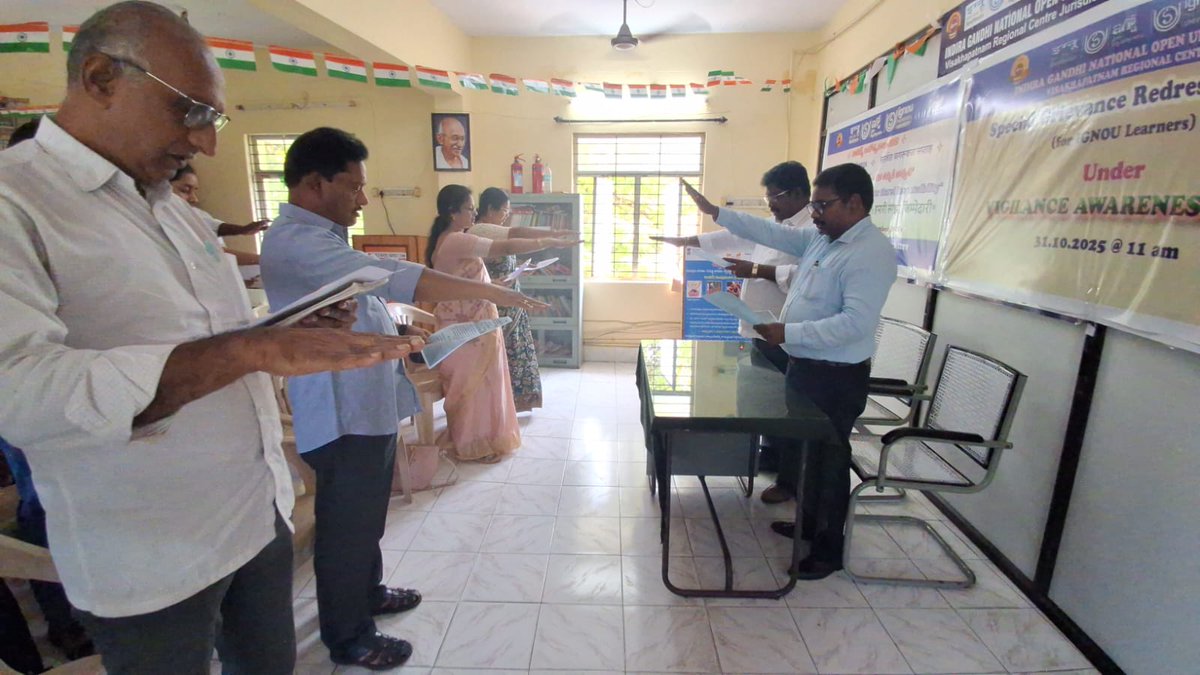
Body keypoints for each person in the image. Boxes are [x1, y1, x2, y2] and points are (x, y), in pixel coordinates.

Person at [0, 4, 423, 673]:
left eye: (213, 119)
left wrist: (283, 333)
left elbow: (214, 336)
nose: (206, 143)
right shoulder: (17, 202)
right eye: (190, 110)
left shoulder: (172, 210)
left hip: (254, 515)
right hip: (152, 554)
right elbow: (20, 390)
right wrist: (248, 350)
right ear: (102, 77)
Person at [259, 129, 548, 670]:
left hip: (365, 402)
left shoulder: (322, 238)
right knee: (346, 525)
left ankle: (367, 593)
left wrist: (397, 334)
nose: (363, 200)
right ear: (314, 184)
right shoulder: (298, 243)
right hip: (341, 411)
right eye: (354, 187)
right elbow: (399, 279)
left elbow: (358, 303)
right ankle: (349, 635)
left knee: (367, 514)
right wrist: (495, 293)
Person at [682, 163, 895, 579]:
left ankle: (829, 550)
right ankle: (809, 525)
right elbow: (771, 232)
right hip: (805, 365)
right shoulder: (823, 239)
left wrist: (788, 331)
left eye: (823, 205)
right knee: (807, 455)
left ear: (855, 203)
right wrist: (716, 213)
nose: (814, 213)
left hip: (835, 377)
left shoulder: (870, 253)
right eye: (813, 205)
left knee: (829, 462)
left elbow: (855, 324)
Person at [0, 118, 96, 665]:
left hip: (80, 400)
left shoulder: (71, 223)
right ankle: (63, 620)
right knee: (42, 504)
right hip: (32, 402)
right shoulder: (12, 213)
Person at [654, 161, 812, 481]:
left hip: (787, 332)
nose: (770, 204)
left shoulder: (811, 229)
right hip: (759, 326)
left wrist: (757, 271)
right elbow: (735, 237)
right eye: (767, 197)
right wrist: (687, 241)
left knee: (786, 404)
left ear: (798, 193)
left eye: (775, 196)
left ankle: (790, 475)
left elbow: (807, 277)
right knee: (762, 400)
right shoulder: (776, 224)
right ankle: (772, 454)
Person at [427, 185, 577, 461]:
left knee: (486, 384)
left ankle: (485, 440)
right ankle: (474, 444)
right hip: (469, 329)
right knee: (476, 387)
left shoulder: (452, 238)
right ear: (452, 212)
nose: (474, 213)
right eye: (469, 209)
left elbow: (464, 280)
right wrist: (549, 241)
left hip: (474, 322)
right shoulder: (456, 240)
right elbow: (505, 245)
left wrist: (493, 284)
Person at [470, 187, 572, 412]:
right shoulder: (480, 229)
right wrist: (552, 236)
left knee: (516, 352)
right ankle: (499, 406)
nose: (506, 215)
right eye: (504, 211)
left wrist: (523, 268)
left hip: (510, 302)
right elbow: (515, 234)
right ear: (490, 209)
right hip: (496, 304)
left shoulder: (494, 231)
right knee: (504, 355)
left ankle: (514, 404)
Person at [170, 163, 268, 266]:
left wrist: (243, 230)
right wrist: (266, 260)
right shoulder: (167, 223)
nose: (194, 199)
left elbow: (214, 227)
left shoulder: (194, 214)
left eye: (194, 191)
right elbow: (214, 253)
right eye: (185, 190)